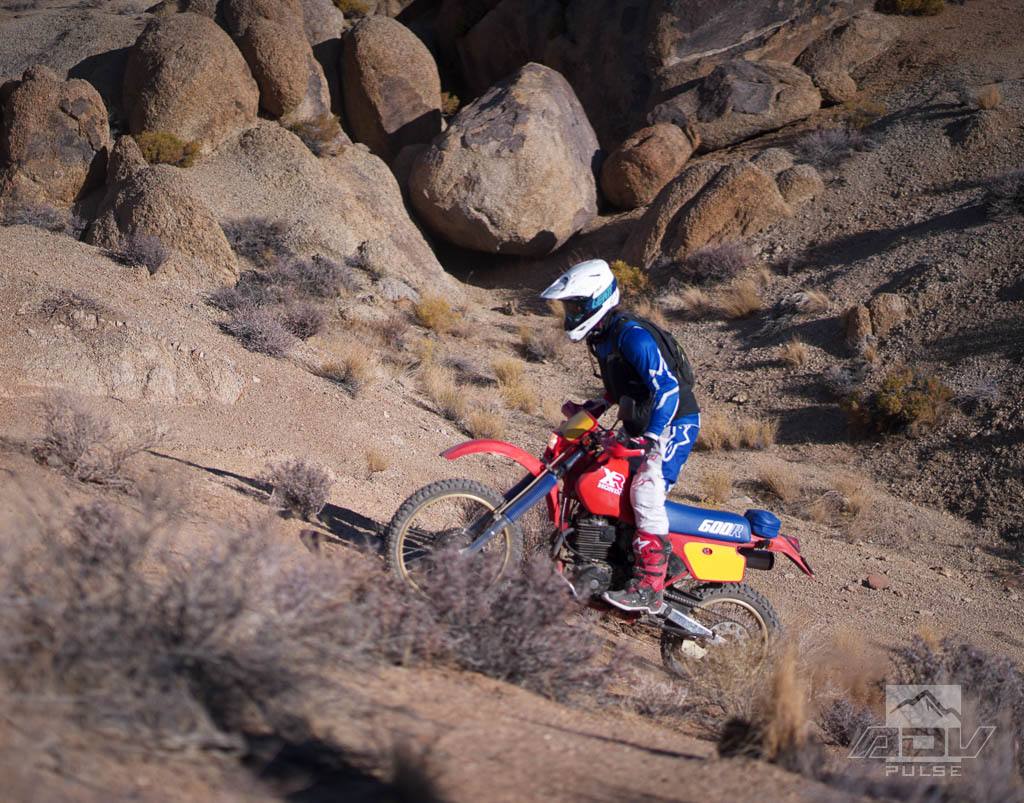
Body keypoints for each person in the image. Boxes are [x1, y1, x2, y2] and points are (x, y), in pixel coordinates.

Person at [541, 259, 700, 615]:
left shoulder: (632, 335)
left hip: (673, 423)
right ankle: (608, 562)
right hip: (640, 424)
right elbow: (619, 390)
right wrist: (590, 409)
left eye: (578, 306)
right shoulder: (602, 337)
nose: (573, 313)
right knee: (602, 478)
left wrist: (652, 437)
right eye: (571, 306)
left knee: (645, 489)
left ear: (598, 300)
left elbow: (669, 389)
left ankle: (649, 586)